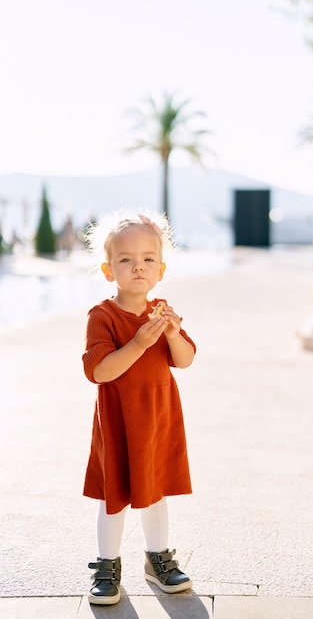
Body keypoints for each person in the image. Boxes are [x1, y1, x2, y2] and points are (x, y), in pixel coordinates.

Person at [82, 210, 196, 605]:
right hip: (119, 421)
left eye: (148, 259)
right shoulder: (103, 316)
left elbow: (184, 360)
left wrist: (174, 333)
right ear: (108, 269)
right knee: (114, 493)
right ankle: (107, 565)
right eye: (126, 259)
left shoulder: (161, 311)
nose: (138, 267)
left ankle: (159, 559)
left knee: (156, 490)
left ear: (161, 269)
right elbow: (99, 370)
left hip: (158, 418)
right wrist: (139, 344)